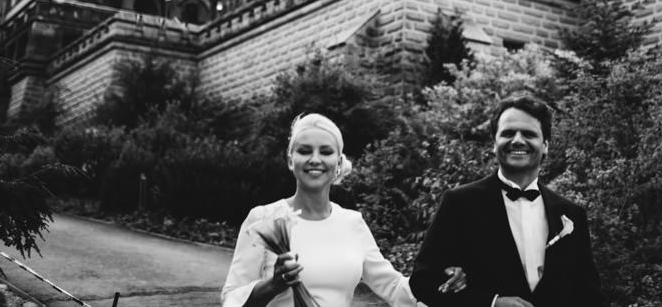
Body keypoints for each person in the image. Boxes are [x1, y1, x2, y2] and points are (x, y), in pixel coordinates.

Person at [222, 113, 464, 307]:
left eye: (325, 152)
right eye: (304, 151)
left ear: (338, 164)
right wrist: (272, 285)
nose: (315, 159)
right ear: (290, 160)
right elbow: (231, 298)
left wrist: (440, 285)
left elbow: (392, 286)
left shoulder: (352, 223)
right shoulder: (263, 218)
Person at [410, 94, 606, 307]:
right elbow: (423, 281)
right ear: (495, 144)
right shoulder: (459, 203)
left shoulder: (571, 214)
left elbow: (589, 295)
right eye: (508, 133)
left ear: (546, 145)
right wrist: (492, 303)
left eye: (529, 134)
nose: (518, 140)